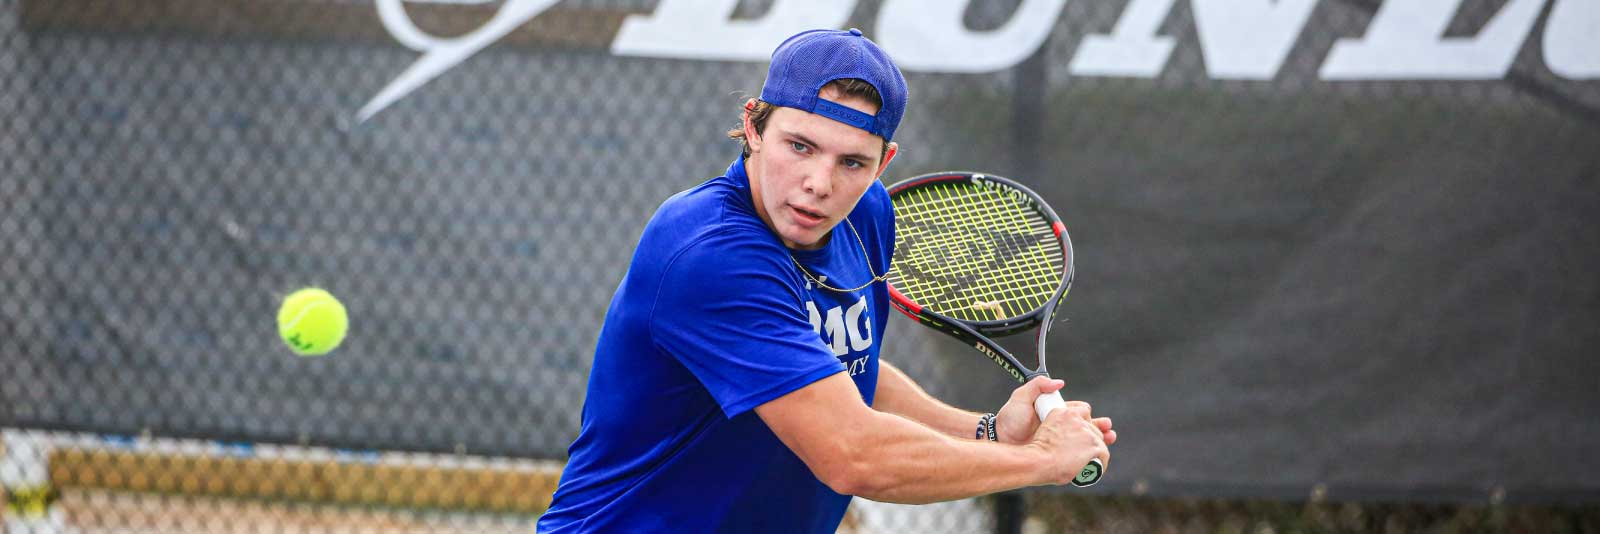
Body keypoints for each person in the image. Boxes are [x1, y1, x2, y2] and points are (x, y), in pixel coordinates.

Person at [536, 28, 1114, 533]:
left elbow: (840, 368)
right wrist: (1041, 461)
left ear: (883, 163)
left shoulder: (867, 214)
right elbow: (853, 455)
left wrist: (989, 433)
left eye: (852, 162)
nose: (819, 183)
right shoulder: (709, 255)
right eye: (800, 146)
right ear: (754, 126)